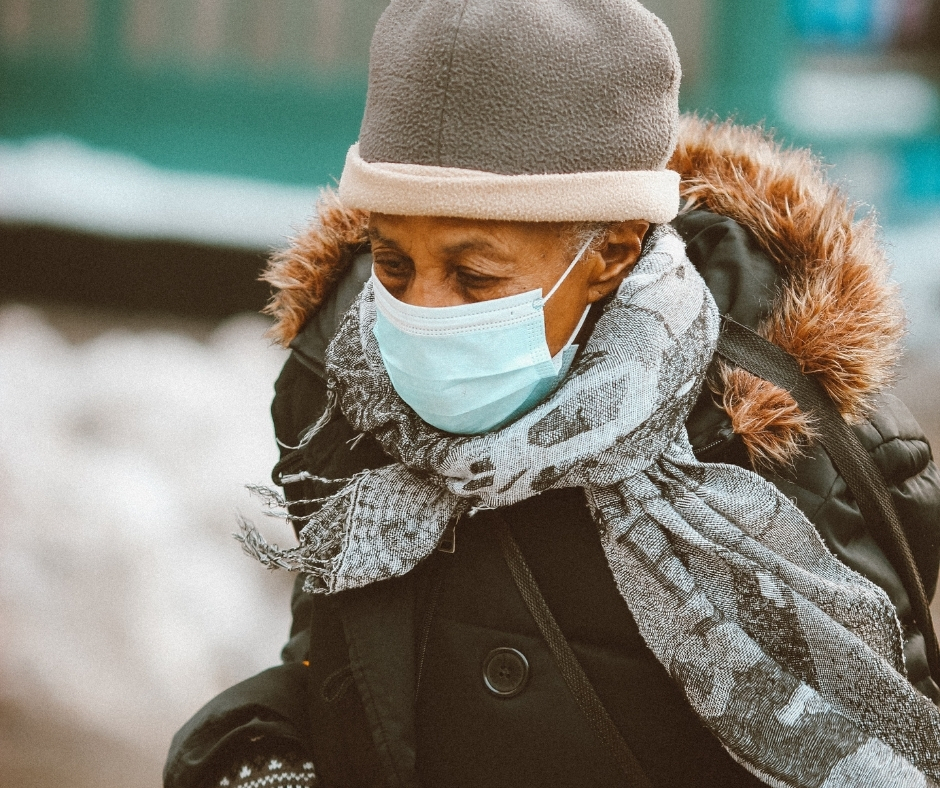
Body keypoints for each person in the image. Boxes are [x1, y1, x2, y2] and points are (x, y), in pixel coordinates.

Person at [165, 1, 940, 786]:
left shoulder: (775, 444)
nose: (419, 312)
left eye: (474, 275)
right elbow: (339, 671)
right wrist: (258, 751)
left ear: (610, 251)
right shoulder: (342, 394)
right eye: (392, 265)